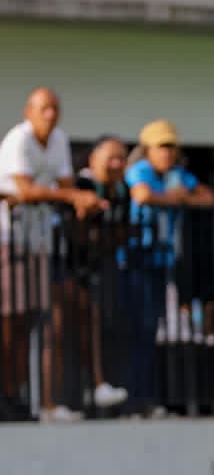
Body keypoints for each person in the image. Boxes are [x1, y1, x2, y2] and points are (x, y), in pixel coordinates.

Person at [0, 87, 105, 422]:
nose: (50, 114)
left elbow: (64, 184)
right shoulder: (18, 140)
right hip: (9, 239)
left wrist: (75, 197)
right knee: (10, 322)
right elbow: (26, 189)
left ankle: (27, 399)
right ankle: (8, 395)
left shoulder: (58, 139)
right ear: (28, 111)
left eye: (55, 108)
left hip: (39, 241)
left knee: (33, 322)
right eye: (44, 108)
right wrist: (71, 196)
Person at [124, 119, 214, 416]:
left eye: (170, 147)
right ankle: (135, 398)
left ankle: (151, 398)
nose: (167, 153)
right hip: (137, 260)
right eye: (161, 147)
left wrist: (183, 197)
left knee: (156, 330)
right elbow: (141, 195)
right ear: (148, 150)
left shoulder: (178, 176)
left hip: (163, 263)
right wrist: (171, 199)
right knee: (137, 329)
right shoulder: (140, 170)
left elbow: (208, 198)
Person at [73, 136, 132, 411]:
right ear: (93, 159)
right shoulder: (80, 184)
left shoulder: (121, 191)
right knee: (78, 328)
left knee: (104, 324)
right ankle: (84, 389)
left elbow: (121, 232)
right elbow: (80, 233)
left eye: (122, 158)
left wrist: (103, 238)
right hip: (71, 268)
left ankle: (100, 387)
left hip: (103, 266)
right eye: (111, 157)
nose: (117, 164)